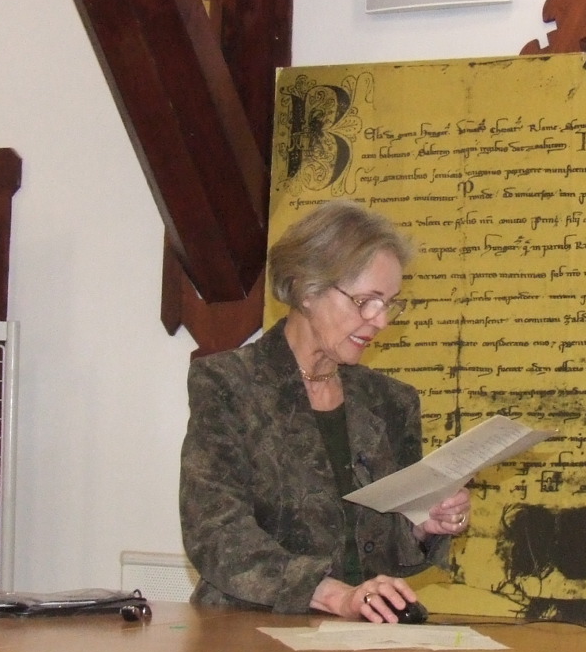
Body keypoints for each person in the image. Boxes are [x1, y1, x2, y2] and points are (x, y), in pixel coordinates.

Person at [180, 200, 470, 621]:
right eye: (366, 301)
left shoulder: (391, 402)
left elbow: (386, 550)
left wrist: (425, 525)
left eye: (390, 303)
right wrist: (335, 596)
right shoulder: (229, 385)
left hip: (363, 637)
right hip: (247, 631)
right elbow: (216, 534)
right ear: (307, 290)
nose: (381, 321)